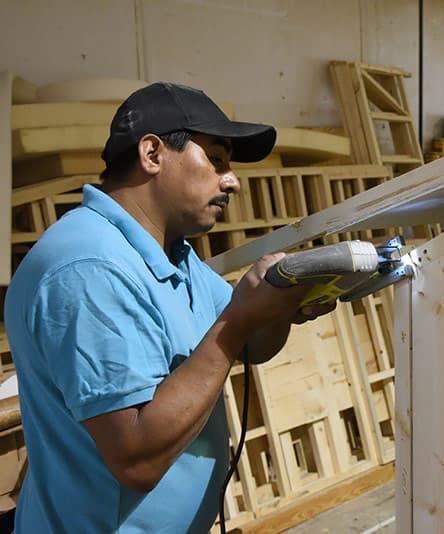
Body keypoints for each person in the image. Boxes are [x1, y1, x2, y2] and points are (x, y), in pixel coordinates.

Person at [3, 82, 333, 532]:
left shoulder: (171, 252)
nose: (232, 180)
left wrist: (281, 304)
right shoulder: (89, 267)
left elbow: (251, 343)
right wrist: (236, 323)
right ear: (153, 154)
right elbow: (136, 461)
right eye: (216, 159)